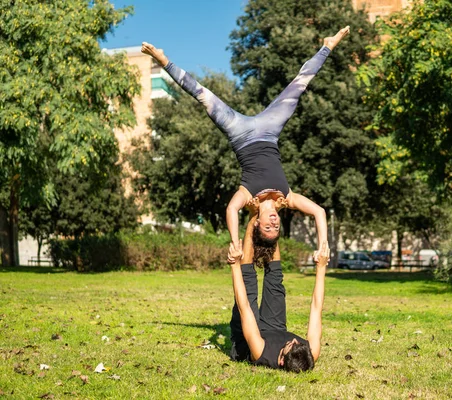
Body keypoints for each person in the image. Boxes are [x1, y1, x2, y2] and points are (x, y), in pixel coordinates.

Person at [141, 26, 350, 266]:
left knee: (204, 96)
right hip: (270, 131)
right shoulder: (288, 198)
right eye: (276, 226)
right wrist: (323, 244)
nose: (273, 222)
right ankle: (327, 46)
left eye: (268, 226)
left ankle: (164, 62)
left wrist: (235, 242)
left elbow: (231, 210)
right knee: (299, 85)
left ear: (258, 223)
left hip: (239, 133)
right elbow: (319, 213)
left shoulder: (248, 195)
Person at [228, 213, 329, 372]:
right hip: (275, 328)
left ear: (281, 360)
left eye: (291, 345)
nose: (294, 340)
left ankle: (253, 215)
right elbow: (316, 307)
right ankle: (267, 214)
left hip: (248, 338)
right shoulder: (309, 353)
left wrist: (235, 264)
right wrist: (321, 267)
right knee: (275, 281)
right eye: (299, 343)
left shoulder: (261, 351)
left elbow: (245, 306)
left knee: (248, 282)